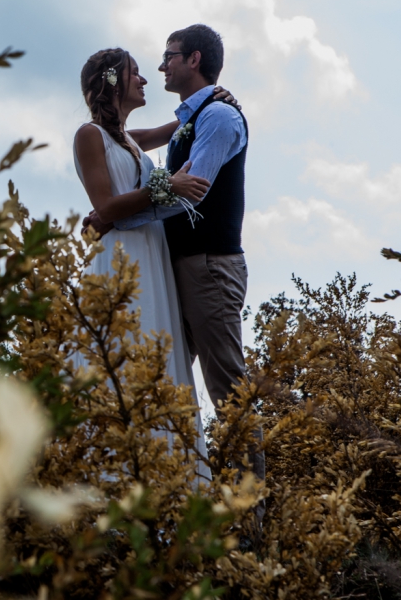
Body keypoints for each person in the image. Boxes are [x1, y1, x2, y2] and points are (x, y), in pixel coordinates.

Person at [85, 25, 264, 487]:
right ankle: (156, 485)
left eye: (168, 57)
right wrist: (116, 208)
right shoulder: (166, 125)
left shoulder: (215, 118)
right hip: (162, 266)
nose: (158, 69)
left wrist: (113, 214)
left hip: (204, 265)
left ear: (195, 60)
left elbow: (194, 191)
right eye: (140, 71)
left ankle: (251, 521)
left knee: (226, 391)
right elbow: (132, 150)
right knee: (160, 375)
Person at [73, 47, 212, 476]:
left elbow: (174, 128)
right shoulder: (89, 135)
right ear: (113, 81)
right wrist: (166, 187)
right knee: (126, 350)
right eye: (136, 73)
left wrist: (210, 101)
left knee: (156, 349)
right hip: (120, 258)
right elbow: (107, 206)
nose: (145, 80)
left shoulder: (130, 140)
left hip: (151, 253)